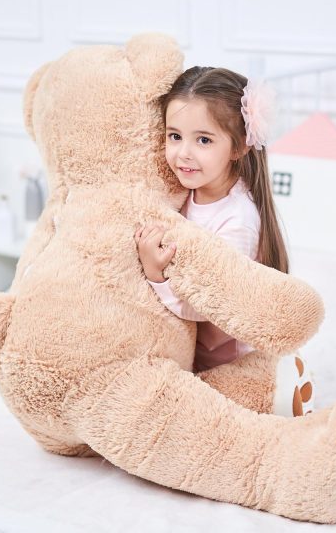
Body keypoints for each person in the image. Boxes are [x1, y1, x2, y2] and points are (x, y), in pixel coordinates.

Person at [135, 66, 313, 416]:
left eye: (203, 140)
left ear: (239, 146)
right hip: (190, 344)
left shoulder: (238, 220)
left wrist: (155, 275)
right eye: (175, 136)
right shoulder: (184, 189)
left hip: (222, 356)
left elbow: (208, 306)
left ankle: (278, 394)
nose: (183, 153)